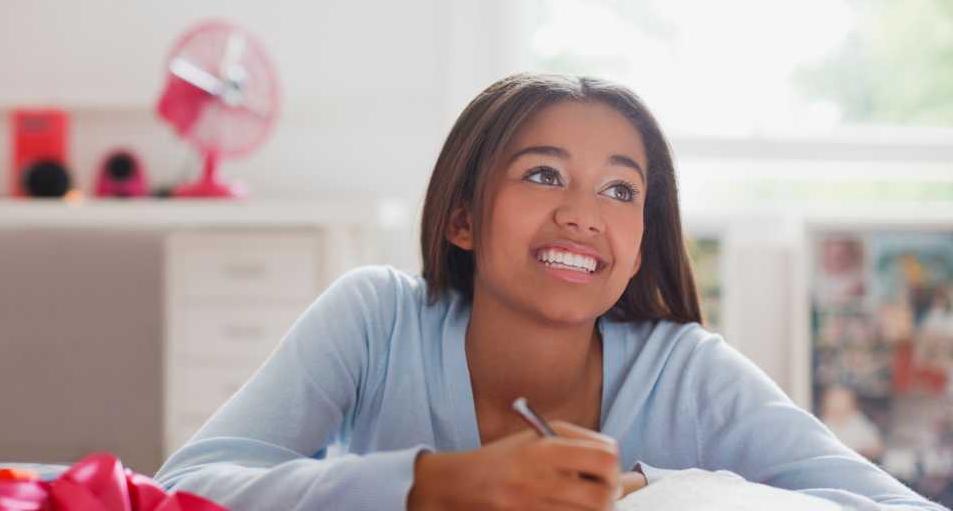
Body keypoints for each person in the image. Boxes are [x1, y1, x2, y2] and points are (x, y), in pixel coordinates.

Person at [154, 73, 945, 510]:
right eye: (543, 175)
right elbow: (183, 489)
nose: (583, 215)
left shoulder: (689, 373)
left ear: (640, 249)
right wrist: (432, 485)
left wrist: (651, 493)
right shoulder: (375, 320)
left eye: (621, 192)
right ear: (462, 217)